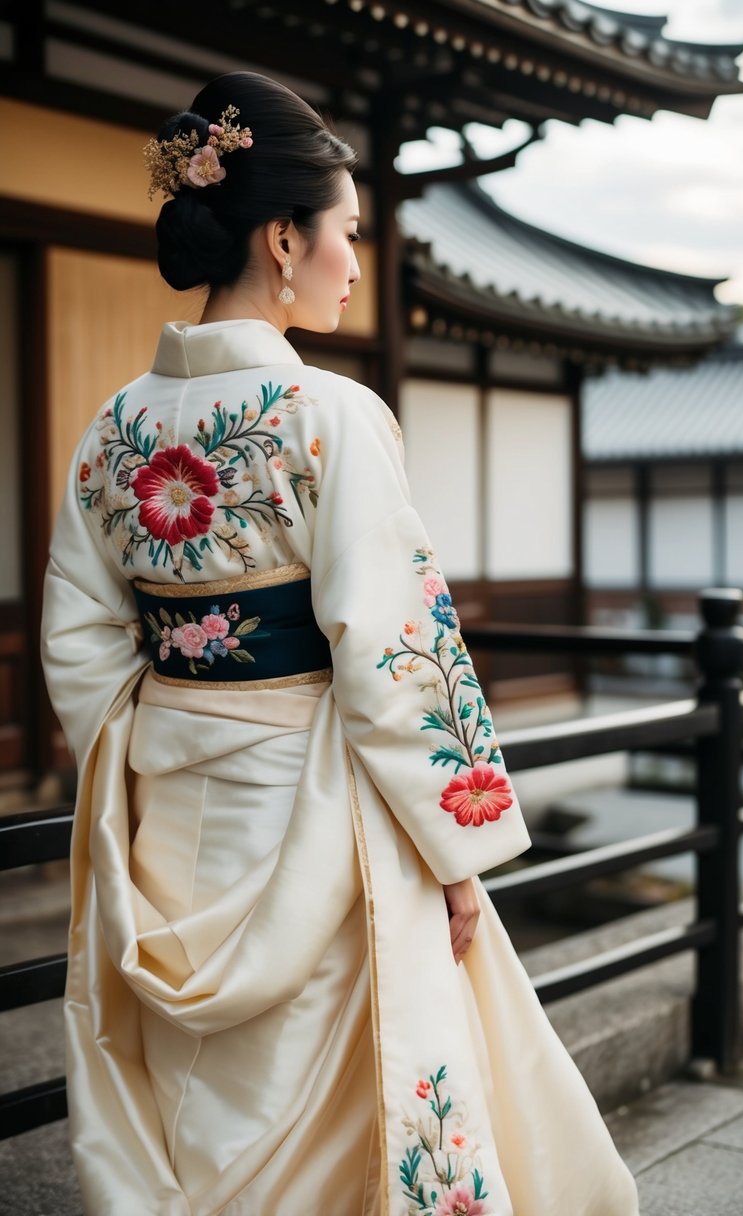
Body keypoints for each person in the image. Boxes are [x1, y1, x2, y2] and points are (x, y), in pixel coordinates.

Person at [41, 70, 639, 1216]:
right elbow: (395, 656)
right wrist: (454, 855)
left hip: (169, 811)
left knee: (203, 1111)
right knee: (347, 1116)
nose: (355, 263)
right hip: (314, 812)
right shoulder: (333, 418)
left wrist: (158, 733)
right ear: (280, 237)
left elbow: (77, 642)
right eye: (346, 234)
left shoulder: (111, 431)